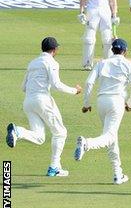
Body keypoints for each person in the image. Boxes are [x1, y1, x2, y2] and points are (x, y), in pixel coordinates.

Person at [5, 37, 82, 177]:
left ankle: (18, 132)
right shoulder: (52, 62)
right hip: (43, 101)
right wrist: (74, 90)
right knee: (60, 132)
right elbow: (56, 85)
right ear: (54, 49)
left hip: (28, 102)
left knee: (40, 138)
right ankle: (54, 167)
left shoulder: (33, 62)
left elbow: (23, 87)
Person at [74, 38, 131, 185]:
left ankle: (118, 174)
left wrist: (86, 103)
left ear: (112, 49)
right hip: (117, 102)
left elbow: (89, 82)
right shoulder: (128, 64)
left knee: (112, 136)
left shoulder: (102, 63)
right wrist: (130, 103)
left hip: (101, 102)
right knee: (109, 136)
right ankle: (87, 144)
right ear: (125, 51)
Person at [78, 0, 119, 71]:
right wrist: (81, 12)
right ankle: (87, 63)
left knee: (107, 39)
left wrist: (114, 14)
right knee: (89, 39)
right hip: (92, 11)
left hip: (106, 12)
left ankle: (107, 63)